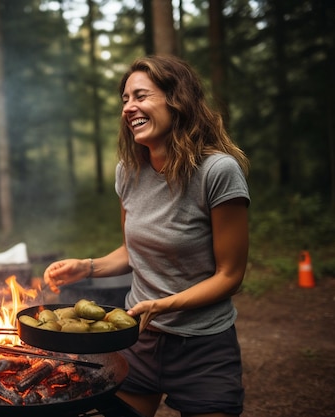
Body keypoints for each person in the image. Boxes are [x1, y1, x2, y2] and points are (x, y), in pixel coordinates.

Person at [43, 55, 250, 417]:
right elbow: (130, 251)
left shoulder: (218, 171)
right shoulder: (129, 170)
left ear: (177, 100)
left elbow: (230, 276)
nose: (129, 107)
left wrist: (161, 305)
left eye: (140, 96)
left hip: (203, 345)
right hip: (139, 339)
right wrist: (86, 267)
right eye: (125, 99)